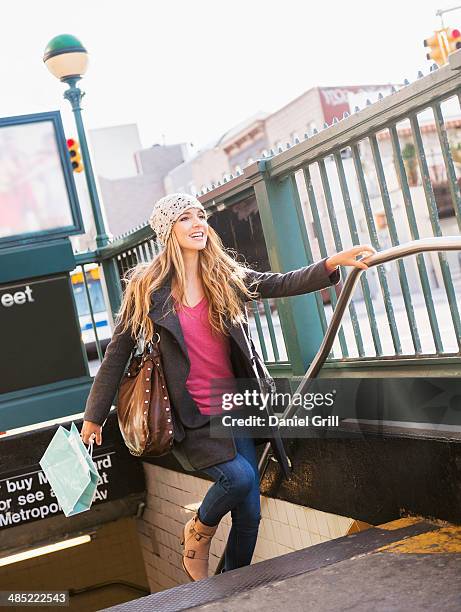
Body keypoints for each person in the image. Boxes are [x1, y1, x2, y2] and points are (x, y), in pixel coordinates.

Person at [80, 192, 375, 581]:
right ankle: (198, 529)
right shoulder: (147, 289)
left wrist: (329, 265)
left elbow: (278, 283)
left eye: (201, 216)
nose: (198, 224)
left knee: (249, 513)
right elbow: (117, 353)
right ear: (168, 231)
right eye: (185, 218)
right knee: (239, 479)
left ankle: (232, 586)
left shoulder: (223, 274)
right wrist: (94, 417)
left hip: (237, 404)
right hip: (191, 414)